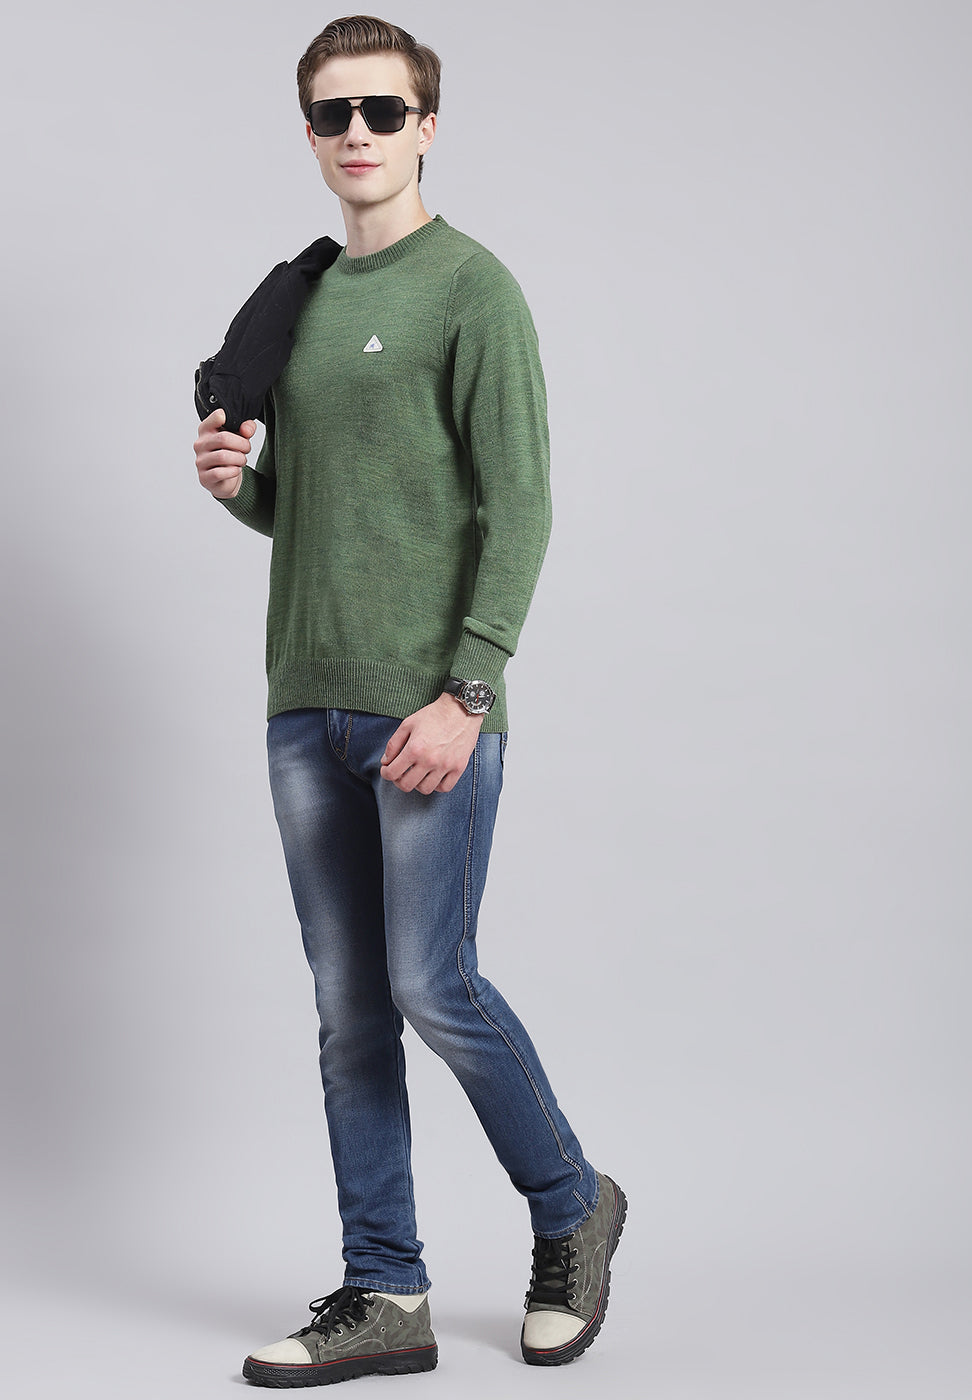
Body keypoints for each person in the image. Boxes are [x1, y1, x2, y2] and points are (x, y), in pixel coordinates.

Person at [193, 14, 626, 1388]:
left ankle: (572, 1204)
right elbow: (332, 514)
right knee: (349, 1014)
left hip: (430, 707)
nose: (360, 134)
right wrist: (246, 489)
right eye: (335, 114)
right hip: (304, 703)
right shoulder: (302, 300)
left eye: (385, 110)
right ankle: (386, 1290)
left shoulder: (471, 290)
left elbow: (519, 505)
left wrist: (470, 689)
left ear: (428, 126)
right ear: (309, 134)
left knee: (432, 983)